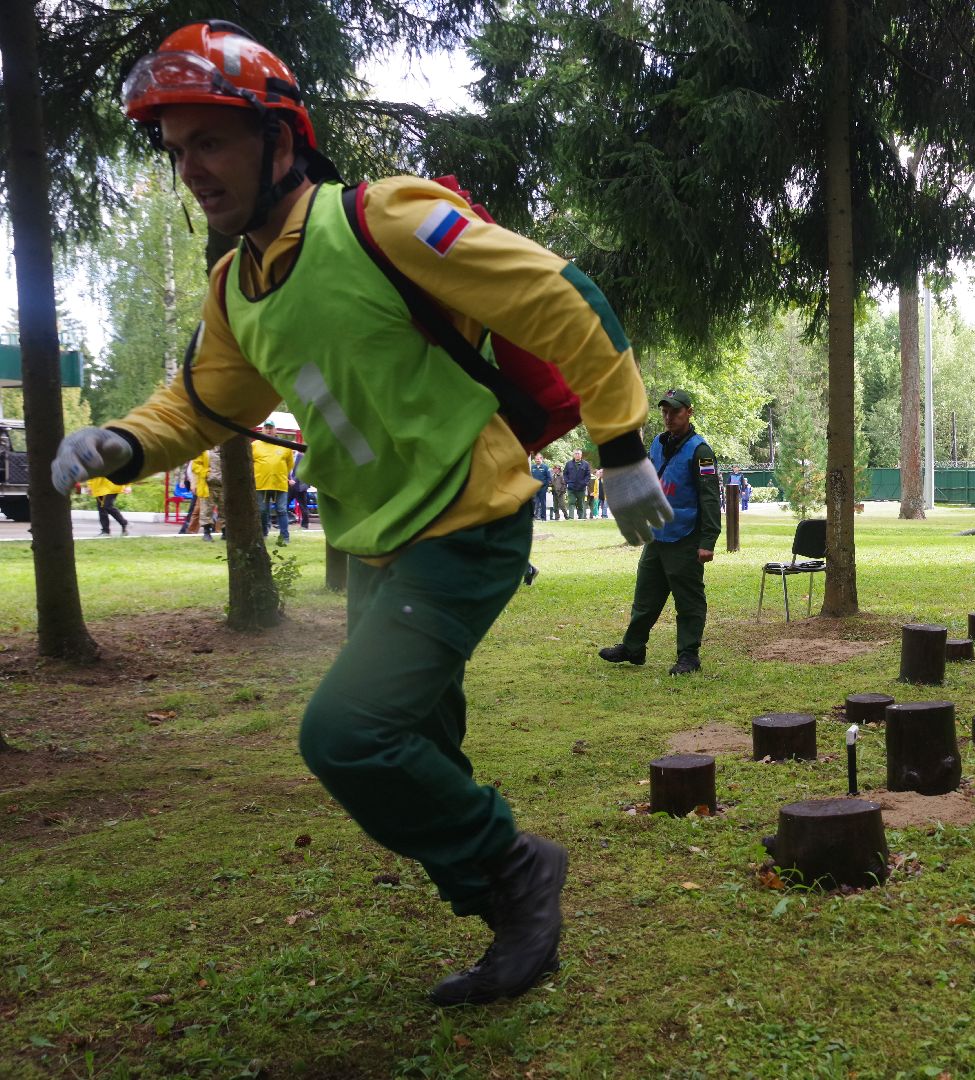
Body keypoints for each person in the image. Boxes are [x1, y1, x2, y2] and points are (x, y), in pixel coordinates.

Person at [50, 21, 672, 1008]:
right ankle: (514, 924)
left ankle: (520, 871)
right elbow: (205, 404)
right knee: (421, 751)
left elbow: (558, 296)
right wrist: (121, 445)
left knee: (347, 736)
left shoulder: (383, 218)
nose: (193, 170)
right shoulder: (236, 286)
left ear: (280, 140)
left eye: (212, 141)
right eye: (179, 152)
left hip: (468, 519)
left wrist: (624, 443)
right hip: (377, 544)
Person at [599, 388, 721, 675]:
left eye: (675, 411)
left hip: (685, 536)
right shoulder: (657, 443)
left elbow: (710, 498)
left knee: (688, 600)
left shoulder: (700, 452)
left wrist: (708, 541)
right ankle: (633, 647)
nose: (668, 416)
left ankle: (689, 655)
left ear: (689, 412)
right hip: (657, 535)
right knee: (645, 596)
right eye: (665, 411)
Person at [252, 421, 296, 545]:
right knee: (262, 510)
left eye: (271, 428)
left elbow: (289, 465)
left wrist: (280, 474)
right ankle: (263, 534)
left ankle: (284, 537)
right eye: (266, 428)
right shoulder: (255, 445)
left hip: (280, 484)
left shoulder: (284, 446)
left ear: (275, 430)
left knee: (282, 510)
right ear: (262, 430)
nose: (268, 430)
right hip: (261, 484)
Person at [187, 446, 221, 540]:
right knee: (206, 509)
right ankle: (207, 532)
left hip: (223, 485)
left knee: (225, 509)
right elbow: (195, 465)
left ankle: (225, 532)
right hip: (207, 485)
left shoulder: (226, 449)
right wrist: (206, 473)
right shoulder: (204, 449)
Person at [563, 449, 591, 520]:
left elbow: (588, 475)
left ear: (581, 455)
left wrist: (584, 483)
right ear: (573, 455)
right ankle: (571, 518)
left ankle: (580, 518)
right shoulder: (568, 463)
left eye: (578, 453)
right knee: (571, 502)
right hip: (571, 487)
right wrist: (567, 481)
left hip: (581, 488)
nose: (577, 455)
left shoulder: (586, 464)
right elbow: (565, 474)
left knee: (580, 504)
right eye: (575, 453)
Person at [529, 453, 552, 520]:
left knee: (543, 503)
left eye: (538, 459)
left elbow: (549, 478)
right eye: (536, 459)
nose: (537, 460)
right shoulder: (533, 467)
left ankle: (543, 517)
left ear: (541, 459)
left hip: (543, 488)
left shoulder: (545, 467)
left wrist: (546, 486)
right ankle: (534, 516)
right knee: (534, 502)